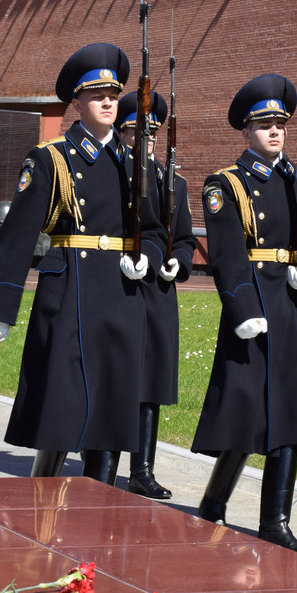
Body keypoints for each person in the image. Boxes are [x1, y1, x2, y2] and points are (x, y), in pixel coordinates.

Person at [0, 42, 165, 483]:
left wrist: (147, 259)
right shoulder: (52, 158)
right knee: (59, 411)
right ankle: (40, 498)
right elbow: (17, 237)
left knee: (113, 415)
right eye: (96, 95)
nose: (106, 103)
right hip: (70, 294)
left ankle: (98, 507)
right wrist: (0, 309)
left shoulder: (135, 164)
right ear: (77, 103)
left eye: (113, 95)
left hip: (122, 295)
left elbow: (156, 230)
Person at [192, 74, 297, 556]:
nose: (274, 132)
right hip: (254, 303)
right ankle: (214, 501)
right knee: (244, 410)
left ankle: (275, 519)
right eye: (264, 125)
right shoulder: (227, 184)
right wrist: (243, 310)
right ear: (245, 131)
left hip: (295, 305)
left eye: (280, 124)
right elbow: (228, 256)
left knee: (291, 411)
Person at [116, 91, 197, 499]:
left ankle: (142, 468)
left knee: (151, 383)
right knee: (119, 378)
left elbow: (183, 239)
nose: (144, 141)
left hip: (159, 291)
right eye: (135, 132)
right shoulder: (116, 175)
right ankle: (107, 459)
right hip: (124, 286)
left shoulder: (173, 183)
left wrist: (177, 263)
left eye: (151, 134)